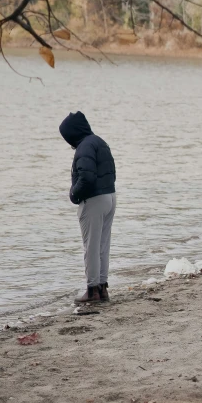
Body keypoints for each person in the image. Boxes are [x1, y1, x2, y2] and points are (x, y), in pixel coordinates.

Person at [59, 112, 116, 304]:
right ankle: (102, 287)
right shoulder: (100, 142)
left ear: (72, 133)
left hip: (94, 200)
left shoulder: (84, 147)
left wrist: (74, 194)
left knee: (91, 247)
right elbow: (111, 172)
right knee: (102, 245)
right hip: (110, 196)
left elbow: (87, 177)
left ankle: (92, 291)